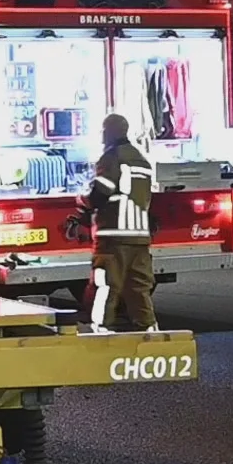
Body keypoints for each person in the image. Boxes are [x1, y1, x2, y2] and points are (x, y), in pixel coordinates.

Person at [69, 113, 158, 333]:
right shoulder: (142, 159)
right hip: (139, 237)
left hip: (113, 236)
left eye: (103, 131)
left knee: (105, 284)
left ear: (109, 132)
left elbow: (101, 193)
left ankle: (97, 329)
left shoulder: (112, 157)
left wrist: (81, 201)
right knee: (138, 287)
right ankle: (149, 330)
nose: (101, 135)